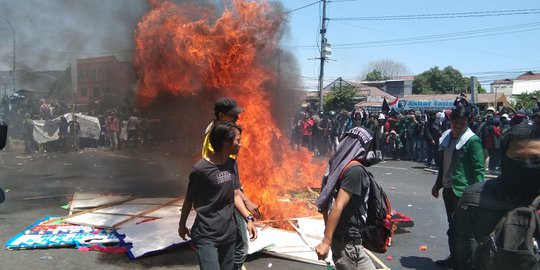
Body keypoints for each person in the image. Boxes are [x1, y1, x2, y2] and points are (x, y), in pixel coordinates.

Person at [453, 123, 540, 270]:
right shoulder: (474, 199)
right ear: (504, 157)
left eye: (536, 160)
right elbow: (463, 253)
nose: (527, 165)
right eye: (517, 158)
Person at [178, 121, 257, 270]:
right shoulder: (201, 170)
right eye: (237, 140)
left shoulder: (232, 164)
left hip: (228, 234)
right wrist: (182, 225)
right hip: (206, 235)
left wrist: (248, 218)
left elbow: (235, 195)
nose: (240, 144)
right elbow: (189, 200)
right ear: (226, 142)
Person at [202, 97, 261, 270]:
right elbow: (225, 178)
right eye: (232, 115)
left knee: (232, 242)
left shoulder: (219, 134)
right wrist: (244, 200)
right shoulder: (217, 143)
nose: (237, 118)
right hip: (226, 193)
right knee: (242, 246)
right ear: (221, 115)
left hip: (231, 190)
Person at [314, 126, 383, 270]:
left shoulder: (340, 165)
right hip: (349, 247)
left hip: (345, 243)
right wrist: (326, 242)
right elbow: (337, 205)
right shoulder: (355, 171)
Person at [431, 106, 485, 269]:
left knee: (466, 232)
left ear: (467, 123)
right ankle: (454, 259)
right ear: (450, 121)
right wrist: (437, 185)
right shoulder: (447, 138)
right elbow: (444, 166)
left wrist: (478, 194)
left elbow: (478, 169)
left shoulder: (472, 140)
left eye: (462, 123)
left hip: (465, 192)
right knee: (453, 228)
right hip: (449, 189)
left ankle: (469, 264)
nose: (458, 126)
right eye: (455, 122)